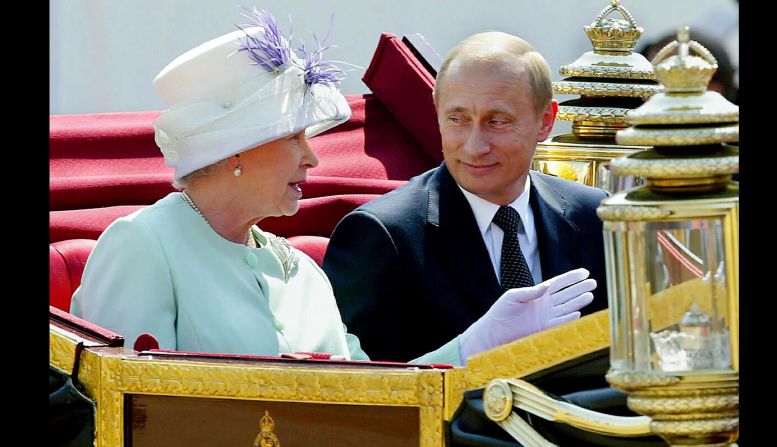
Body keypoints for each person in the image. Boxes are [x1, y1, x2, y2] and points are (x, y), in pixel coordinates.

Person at [70, 9, 596, 366]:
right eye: (295, 136)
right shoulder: (145, 243)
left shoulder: (299, 271)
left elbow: (372, 396)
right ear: (234, 150)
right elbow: (122, 414)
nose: (313, 156)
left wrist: (475, 346)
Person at [323, 31, 610, 363]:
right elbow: (359, 393)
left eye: (497, 122)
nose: (475, 146)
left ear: (546, 121)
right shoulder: (384, 235)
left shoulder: (594, 217)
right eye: (457, 119)